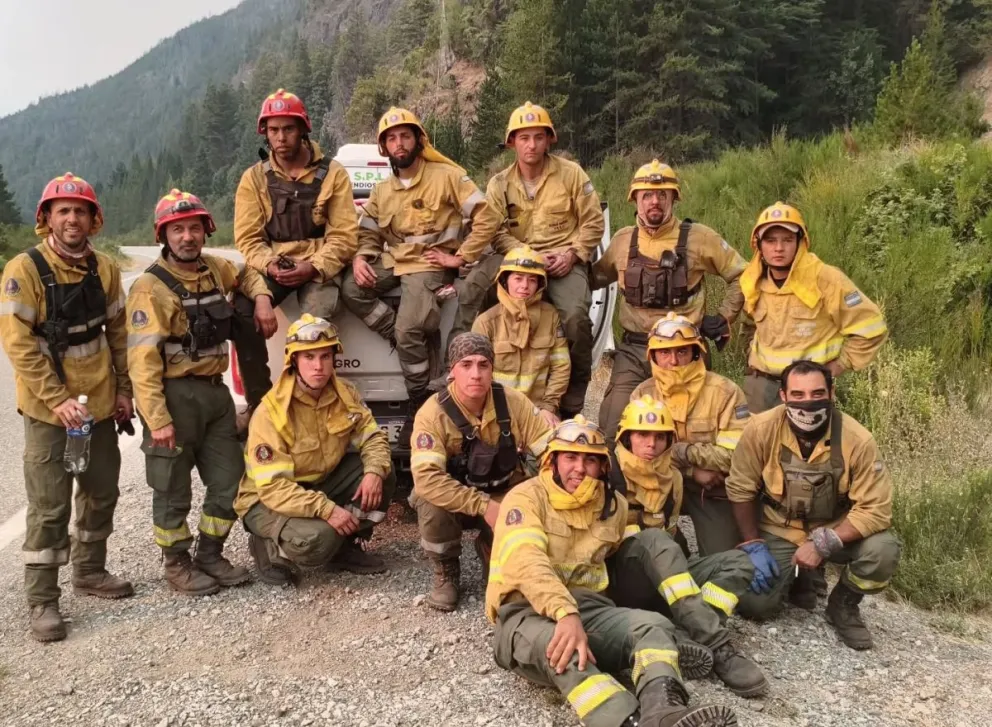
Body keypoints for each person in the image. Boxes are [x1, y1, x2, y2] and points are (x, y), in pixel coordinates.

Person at [487, 416, 737, 727]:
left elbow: (621, 553)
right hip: (525, 613)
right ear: (551, 461)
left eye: (590, 460)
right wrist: (565, 614)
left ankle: (663, 712)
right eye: (570, 457)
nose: (579, 468)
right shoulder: (525, 497)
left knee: (653, 626)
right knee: (563, 651)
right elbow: (526, 560)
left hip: (589, 609)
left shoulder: (614, 504)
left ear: (603, 467)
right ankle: (625, 720)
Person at [0, 173, 134, 641]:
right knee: (49, 507)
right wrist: (56, 400)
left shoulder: (105, 269)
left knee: (101, 493)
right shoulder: (25, 270)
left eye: (81, 210)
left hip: (97, 406)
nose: (72, 218)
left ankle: (90, 572)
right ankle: (42, 602)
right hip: (48, 413)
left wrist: (125, 391)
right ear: (47, 219)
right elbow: (18, 345)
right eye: (63, 211)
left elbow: (119, 334)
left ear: (93, 219)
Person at [126, 189, 275, 595]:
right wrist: (157, 419)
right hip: (174, 398)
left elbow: (247, 273)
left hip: (215, 395)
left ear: (206, 231)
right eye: (177, 230)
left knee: (232, 480)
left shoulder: (215, 269)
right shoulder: (149, 289)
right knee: (173, 489)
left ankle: (210, 553)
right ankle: (176, 564)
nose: (187, 237)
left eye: (194, 227)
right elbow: (142, 362)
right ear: (164, 235)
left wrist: (261, 299)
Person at [340, 108, 500, 444]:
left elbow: (487, 217)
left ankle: (419, 402)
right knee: (351, 287)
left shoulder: (447, 176)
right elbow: (367, 234)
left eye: (405, 136)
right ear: (384, 147)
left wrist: (460, 257)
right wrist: (359, 258)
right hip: (396, 261)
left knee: (410, 326)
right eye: (391, 138)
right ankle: (405, 334)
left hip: (428, 265)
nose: (399, 143)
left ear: (418, 139)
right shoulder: (383, 191)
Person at [726, 360, 901, 650]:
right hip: (779, 528)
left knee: (882, 550)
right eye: (798, 395)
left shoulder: (858, 439)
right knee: (754, 606)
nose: (808, 403)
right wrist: (752, 543)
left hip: (835, 528)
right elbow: (740, 487)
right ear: (783, 396)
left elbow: (876, 509)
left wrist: (824, 542)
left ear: (831, 392)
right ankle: (801, 579)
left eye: (817, 393)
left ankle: (843, 604)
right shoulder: (760, 429)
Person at [450, 102, 605, 417]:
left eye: (538, 137)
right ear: (512, 143)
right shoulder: (499, 184)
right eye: (524, 138)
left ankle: (573, 397)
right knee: (477, 294)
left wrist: (572, 253)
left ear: (549, 139)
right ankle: (462, 375)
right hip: (516, 258)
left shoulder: (571, 174)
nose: (531, 145)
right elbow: (493, 230)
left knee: (575, 317)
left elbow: (593, 223)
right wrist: (525, 256)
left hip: (563, 260)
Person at [613, 396, 766, 697]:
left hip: (664, 579)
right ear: (625, 436)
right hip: (622, 581)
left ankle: (687, 631)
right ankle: (718, 645)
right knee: (655, 539)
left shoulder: (673, 480)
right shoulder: (606, 474)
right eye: (642, 434)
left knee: (738, 562)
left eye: (660, 437)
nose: (651, 444)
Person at [595, 160, 748, 448]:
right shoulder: (621, 241)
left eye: (663, 194)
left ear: (673, 199)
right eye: (647, 195)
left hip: (684, 352)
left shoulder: (700, 238)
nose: (655, 201)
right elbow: (592, 281)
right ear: (635, 200)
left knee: (689, 429)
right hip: (635, 352)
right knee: (615, 427)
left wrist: (725, 317)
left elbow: (743, 274)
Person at [235, 315, 396, 585]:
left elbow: (373, 437)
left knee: (383, 476)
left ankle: (344, 547)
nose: (318, 366)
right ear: (293, 361)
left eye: (325, 356)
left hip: (317, 484)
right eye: (309, 357)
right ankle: (266, 545)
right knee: (318, 539)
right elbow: (273, 487)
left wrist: (374, 471)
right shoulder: (271, 411)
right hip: (267, 499)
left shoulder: (345, 393)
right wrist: (327, 510)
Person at [232, 89, 359, 419]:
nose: (280, 138)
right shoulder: (254, 179)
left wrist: (312, 268)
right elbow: (248, 239)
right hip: (275, 264)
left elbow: (345, 236)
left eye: (288, 128)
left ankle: (316, 405)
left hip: (317, 266)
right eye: (273, 130)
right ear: (265, 133)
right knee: (241, 311)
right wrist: (271, 267)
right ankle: (260, 402)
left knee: (314, 329)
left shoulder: (333, 174)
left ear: (303, 129)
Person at [409, 332, 553, 611]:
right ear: (452, 371)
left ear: (492, 369)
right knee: (429, 500)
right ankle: (447, 571)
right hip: (458, 501)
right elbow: (426, 478)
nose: (475, 374)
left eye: (483, 364)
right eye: (466, 365)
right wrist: (484, 505)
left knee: (510, 587)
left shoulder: (514, 402)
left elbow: (550, 451)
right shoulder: (432, 414)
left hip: (504, 492)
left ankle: (493, 548)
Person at [739, 202, 887, 414]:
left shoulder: (825, 279)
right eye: (771, 241)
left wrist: (837, 367)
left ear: (801, 242)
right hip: (761, 388)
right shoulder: (752, 280)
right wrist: (753, 362)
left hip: (808, 391)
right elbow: (749, 325)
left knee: (811, 446)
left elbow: (872, 328)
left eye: (787, 240)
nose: (779, 248)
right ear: (759, 245)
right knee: (760, 445)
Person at [630, 314, 750, 556]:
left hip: (713, 490)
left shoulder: (726, 392)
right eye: (664, 353)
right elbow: (636, 457)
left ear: (697, 353)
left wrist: (681, 451)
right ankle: (676, 548)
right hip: (661, 484)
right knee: (651, 546)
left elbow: (736, 456)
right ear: (653, 356)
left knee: (722, 557)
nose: (673, 361)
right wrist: (691, 470)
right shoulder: (642, 394)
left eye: (682, 351)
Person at [471, 246, 570, 427]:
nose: (524, 286)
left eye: (532, 280)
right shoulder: (486, 322)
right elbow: (475, 375)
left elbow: (561, 367)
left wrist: (548, 407)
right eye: (518, 279)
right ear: (504, 281)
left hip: (539, 411)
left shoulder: (551, 316)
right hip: (495, 413)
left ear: (540, 284)